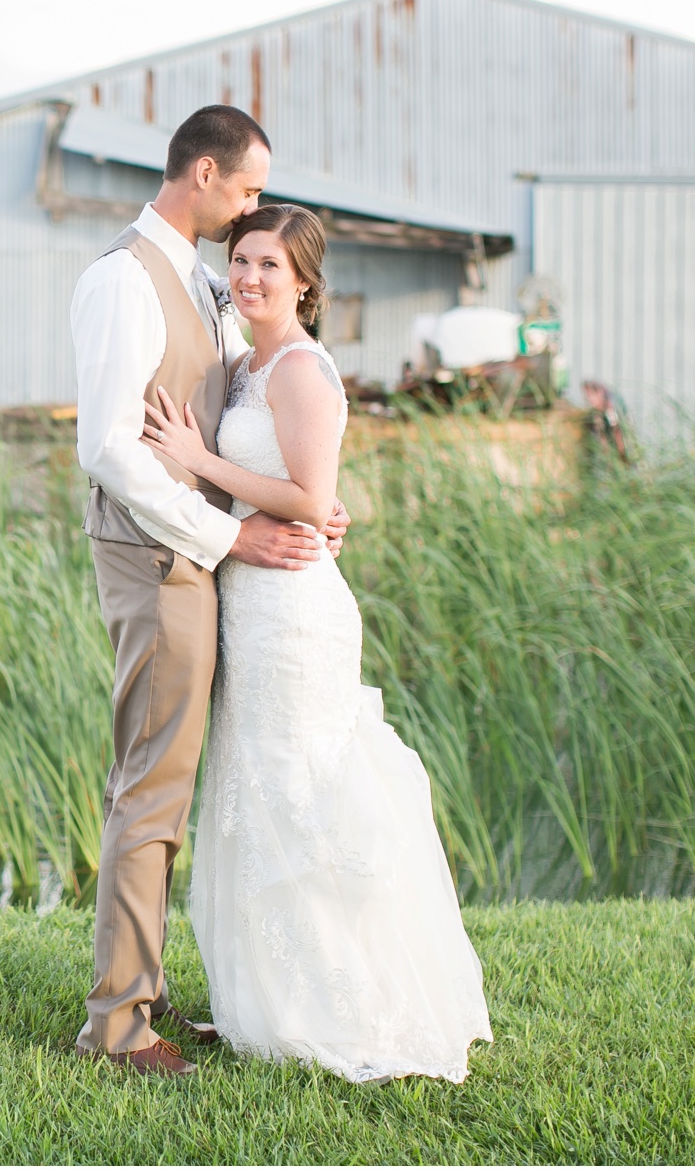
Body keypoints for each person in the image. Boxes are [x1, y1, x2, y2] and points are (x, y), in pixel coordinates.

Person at [143, 202, 493, 1083]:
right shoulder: (249, 363)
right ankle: (268, 1000)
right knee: (255, 788)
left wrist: (200, 456)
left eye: (269, 264)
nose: (251, 277)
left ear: (304, 281)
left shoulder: (302, 370)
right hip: (250, 603)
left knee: (298, 790)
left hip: (295, 614)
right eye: (242, 261)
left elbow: (308, 495)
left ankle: (346, 1002)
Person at [68, 105, 350, 1075]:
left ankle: (150, 991)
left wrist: (309, 503)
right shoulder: (119, 280)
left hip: (197, 557)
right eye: (244, 188)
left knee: (177, 784)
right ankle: (116, 1024)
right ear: (199, 173)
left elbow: (237, 414)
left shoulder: (194, 276)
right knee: (148, 789)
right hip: (155, 561)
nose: (251, 208)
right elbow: (105, 444)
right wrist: (231, 531)